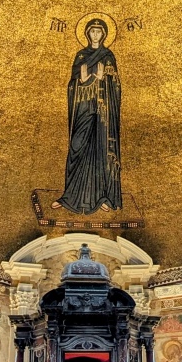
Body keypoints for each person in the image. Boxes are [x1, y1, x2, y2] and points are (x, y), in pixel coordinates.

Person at [52, 17, 123, 214]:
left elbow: (116, 87)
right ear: (87, 33)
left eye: (99, 32)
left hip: (102, 115)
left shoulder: (108, 56)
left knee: (100, 152)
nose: (95, 35)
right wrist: (81, 80)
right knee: (77, 145)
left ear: (104, 34)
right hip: (83, 108)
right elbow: (73, 84)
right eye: (92, 31)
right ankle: (70, 196)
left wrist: (104, 80)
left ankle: (102, 197)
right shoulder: (81, 56)